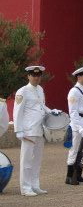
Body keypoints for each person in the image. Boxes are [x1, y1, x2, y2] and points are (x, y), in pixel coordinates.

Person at [13, 64, 57, 195]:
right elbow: (17, 112)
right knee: (26, 160)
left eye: (38, 75)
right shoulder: (22, 91)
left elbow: (41, 106)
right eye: (33, 75)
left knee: (37, 160)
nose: (36, 78)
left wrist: (51, 111)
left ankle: (35, 185)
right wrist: (19, 131)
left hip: (40, 129)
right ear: (28, 76)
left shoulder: (40, 89)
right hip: (28, 130)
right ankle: (25, 188)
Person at [66, 65, 83, 185]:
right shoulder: (74, 91)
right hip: (78, 123)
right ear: (79, 77)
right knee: (74, 150)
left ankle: (79, 174)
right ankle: (70, 176)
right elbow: (73, 112)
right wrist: (79, 127)